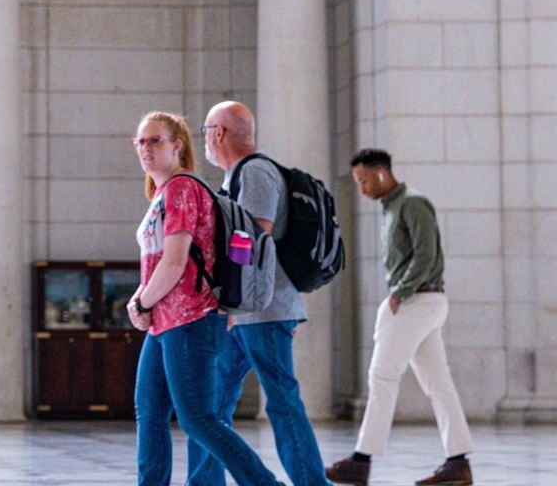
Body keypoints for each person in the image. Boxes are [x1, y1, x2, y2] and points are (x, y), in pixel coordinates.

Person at [128, 111, 284, 486]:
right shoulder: (162, 194)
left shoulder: (183, 189)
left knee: (199, 419)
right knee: (149, 413)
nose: (145, 149)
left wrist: (143, 303)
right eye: (140, 142)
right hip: (164, 322)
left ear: (177, 146)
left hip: (190, 320)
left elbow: (175, 260)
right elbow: (154, 264)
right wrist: (140, 301)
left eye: (155, 140)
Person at [190, 101, 332, 486]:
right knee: (210, 403)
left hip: (261, 308)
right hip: (248, 309)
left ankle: (312, 483)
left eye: (205, 130)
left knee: (282, 401)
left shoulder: (254, 173)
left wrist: (229, 303)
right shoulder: (238, 175)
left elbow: (251, 240)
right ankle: (203, 482)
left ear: (218, 133)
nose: (204, 138)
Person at [326, 149, 473, 486]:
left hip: (417, 300)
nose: (361, 188)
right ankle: (458, 463)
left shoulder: (412, 203)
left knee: (382, 377)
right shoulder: (392, 208)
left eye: (363, 180)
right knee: (439, 384)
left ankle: (360, 461)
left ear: (380, 174)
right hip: (422, 301)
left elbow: (426, 253)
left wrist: (399, 292)